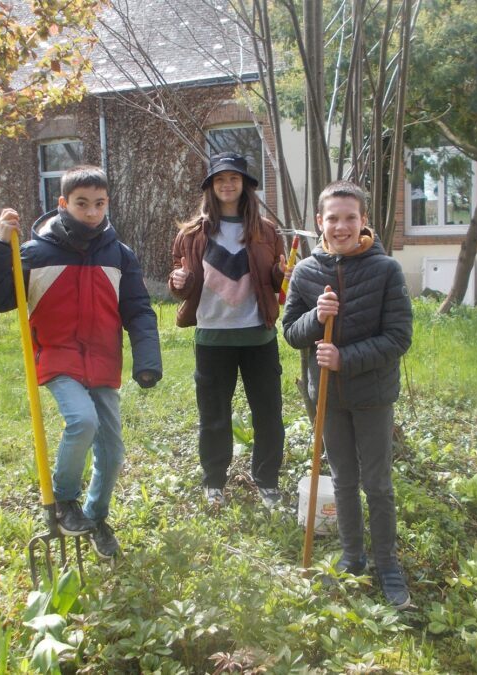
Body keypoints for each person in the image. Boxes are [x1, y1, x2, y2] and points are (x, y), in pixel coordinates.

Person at [0, 165, 161, 559]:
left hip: (102, 361)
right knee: (83, 420)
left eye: (99, 204)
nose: (92, 213)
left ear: (107, 203)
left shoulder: (119, 255)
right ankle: (65, 501)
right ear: (63, 204)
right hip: (57, 355)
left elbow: (139, 309)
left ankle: (95, 518)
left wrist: (147, 359)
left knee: (112, 454)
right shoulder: (34, 253)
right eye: (82, 204)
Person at [281, 180, 414, 609]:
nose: (341, 226)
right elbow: (290, 334)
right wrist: (316, 319)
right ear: (319, 222)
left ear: (363, 221)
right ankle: (353, 557)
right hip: (329, 398)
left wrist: (345, 358)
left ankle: (388, 564)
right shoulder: (304, 272)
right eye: (333, 218)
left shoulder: (385, 270)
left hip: (373, 393)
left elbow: (398, 337)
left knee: (377, 483)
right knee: (343, 480)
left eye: (350, 218)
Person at [168, 152, 288, 509]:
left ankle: (266, 481)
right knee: (214, 416)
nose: (227, 184)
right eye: (220, 179)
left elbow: (276, 280)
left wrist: (284, 276)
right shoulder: (192, 234)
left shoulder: (266, 232)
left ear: (246, 185)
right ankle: (214, 483)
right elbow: (180, 282)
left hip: (258, 337)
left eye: (234, 178)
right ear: (210, 187)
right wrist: (178, 283)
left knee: (268, 414)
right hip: (212, 338)